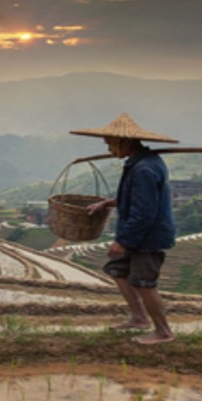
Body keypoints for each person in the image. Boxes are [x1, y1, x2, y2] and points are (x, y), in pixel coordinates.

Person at [69, 114, 177, 345]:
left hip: (147, 235)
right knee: (119, 271)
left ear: (125, 142)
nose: (108, 148)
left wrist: (123, 241)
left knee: (144, 283)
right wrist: (106, 203)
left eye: (110, 143)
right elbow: (133, 198)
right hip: (137, 232)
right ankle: (139, 318)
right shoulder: (139, 164)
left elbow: (144, 212)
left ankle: (163, 332)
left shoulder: (144, 169)